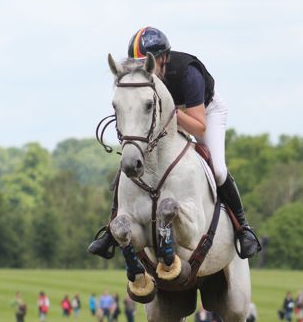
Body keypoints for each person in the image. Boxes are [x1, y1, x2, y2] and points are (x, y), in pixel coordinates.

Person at [88, 26, 261, 261]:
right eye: (136, 63)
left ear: (164, 58)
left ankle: (243, 228)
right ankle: (111, 229)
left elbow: (199, 126)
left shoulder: (188, 73)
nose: (142, 69)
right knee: (133, 157)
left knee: (218, 169)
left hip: (205, 113)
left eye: (148, 62)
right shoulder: (140, 81)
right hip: (163, 115)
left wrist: (169, 113)